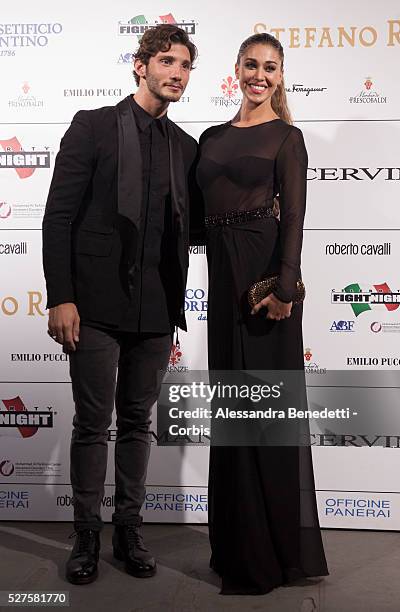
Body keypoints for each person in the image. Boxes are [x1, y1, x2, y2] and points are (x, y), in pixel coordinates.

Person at [42, 24, 198, 585]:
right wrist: (61, 296)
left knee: (137, 424)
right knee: (91, 423)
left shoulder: (186, 146)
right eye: (166, 61)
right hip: (95, 305)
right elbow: (58, 216)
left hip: (156, 310)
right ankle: (86, 534)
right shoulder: (94, 126)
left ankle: (129, 528)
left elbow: (195, 227)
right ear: (140, 65)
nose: (176, 73)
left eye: (185, 65)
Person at [196, 33, 329, 594]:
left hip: (265, 283)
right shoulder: (211, 136)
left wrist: (286, 288)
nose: (259, 74)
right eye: (251, 65)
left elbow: (295, 217)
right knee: (232, 413)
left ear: (280, 75)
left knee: (268, 418)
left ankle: (274, 554)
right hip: (223, 285)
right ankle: (236, 544)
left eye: (270, 67)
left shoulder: (288, 138)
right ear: (236, 70)